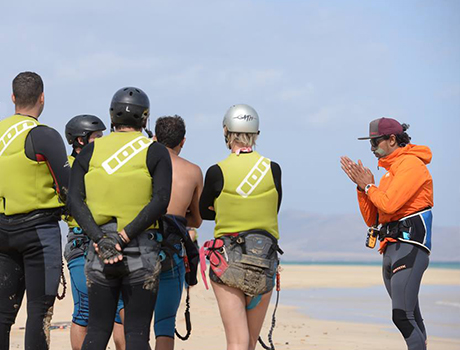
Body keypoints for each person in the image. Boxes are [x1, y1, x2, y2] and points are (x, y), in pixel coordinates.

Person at [67, 87, 172, 350]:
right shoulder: (155, 151)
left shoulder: (91, 152)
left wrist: (101, 239)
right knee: (136, 334)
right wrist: (124, 236)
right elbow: (160, 201)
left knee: (97, 330)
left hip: (98, 250)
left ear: (112, 116)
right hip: (140, 249)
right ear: (144, 118)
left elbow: (74, 201)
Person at [340, 117, 433, 350]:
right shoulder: (390, 173)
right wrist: (363, 189)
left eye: (375, 142)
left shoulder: (412, 165)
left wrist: (370, 186)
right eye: (370, 144)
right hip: (390, 247)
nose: (372, 149)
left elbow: (389, 204)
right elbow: (374, 218)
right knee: (411, 316)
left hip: (409, 246)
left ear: (392, 139)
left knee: (402, 316)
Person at [199, 104, 282, 350]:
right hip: (264, 258)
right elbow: (272, 209)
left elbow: (204, 212)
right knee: (249, 344)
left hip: (227, 259)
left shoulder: (216, 171)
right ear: (256, 132)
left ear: (226, 131)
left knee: (236, 341)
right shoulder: (273, 168)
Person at [0, 72, 70, 350]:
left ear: (13, 98)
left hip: (3, 233)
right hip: (39, 234)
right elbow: (67, 189)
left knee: (3, 315)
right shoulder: (43, 135)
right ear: (42, 98)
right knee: (39, 313)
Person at [63, 115, 126, 350]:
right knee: (85, 309)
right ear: (80, 140)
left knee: (120, 306)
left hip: (108, 238)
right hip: (80, 241)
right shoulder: (66, 166)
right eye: (96, 137)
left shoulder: (105, 163)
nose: (102, 140)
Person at [153, 115, 202, 350]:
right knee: (164, 322)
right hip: (172, 250)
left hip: (139, 245)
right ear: (183, 141)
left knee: (127, 317)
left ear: (154, 138)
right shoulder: (193, 171)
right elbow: (197, 220)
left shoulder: (142, 165)